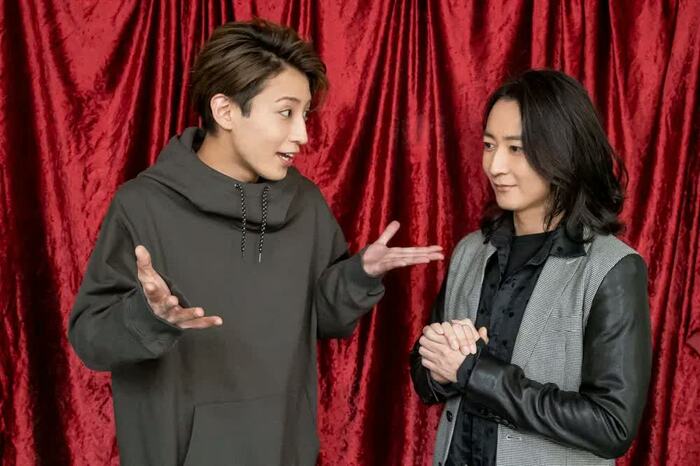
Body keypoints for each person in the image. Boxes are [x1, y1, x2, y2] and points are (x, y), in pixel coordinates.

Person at [68, 19, 443, 465]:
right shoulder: (142, 205)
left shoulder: (305, 204)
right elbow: (90, 339)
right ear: (225, 110)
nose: (303, 134)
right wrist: (148, 317)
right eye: (286, 112)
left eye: (305, 114)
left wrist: (359, 275)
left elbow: (321, 320)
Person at [410, 69, 652, 466]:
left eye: (516, 148)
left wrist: (475, 373)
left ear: (563, 151)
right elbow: (424, 374)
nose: (495, 165)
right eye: (489, 145)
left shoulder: (613, 269)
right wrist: (437, 367)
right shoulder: (470, 252)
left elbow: (612, 426)